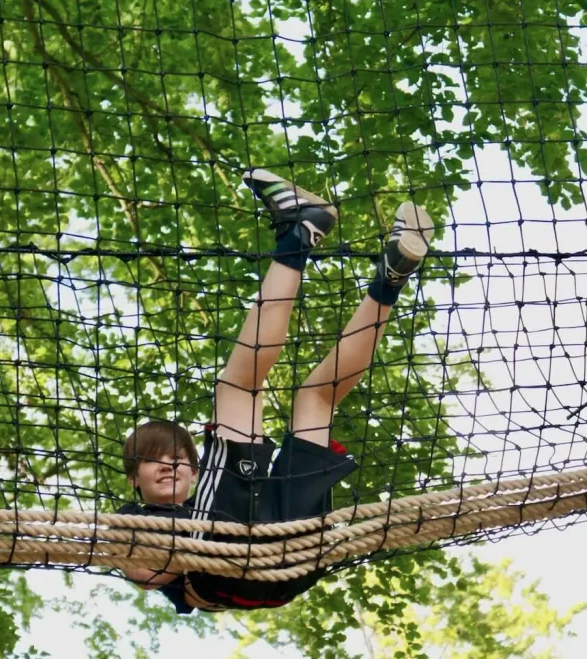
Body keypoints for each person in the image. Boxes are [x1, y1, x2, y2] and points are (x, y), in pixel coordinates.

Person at [116, 169, 434, 613]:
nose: (171, 464)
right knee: (236, 389)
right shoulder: (133, 521)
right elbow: (146, 575)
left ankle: (391, 277)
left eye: (181, 458)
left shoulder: (210, 500)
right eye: (154, 458)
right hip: (231, 568)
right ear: (133, 478)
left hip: (289, 548)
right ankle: (300, 232)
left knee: (316, 399)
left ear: (195, 470)